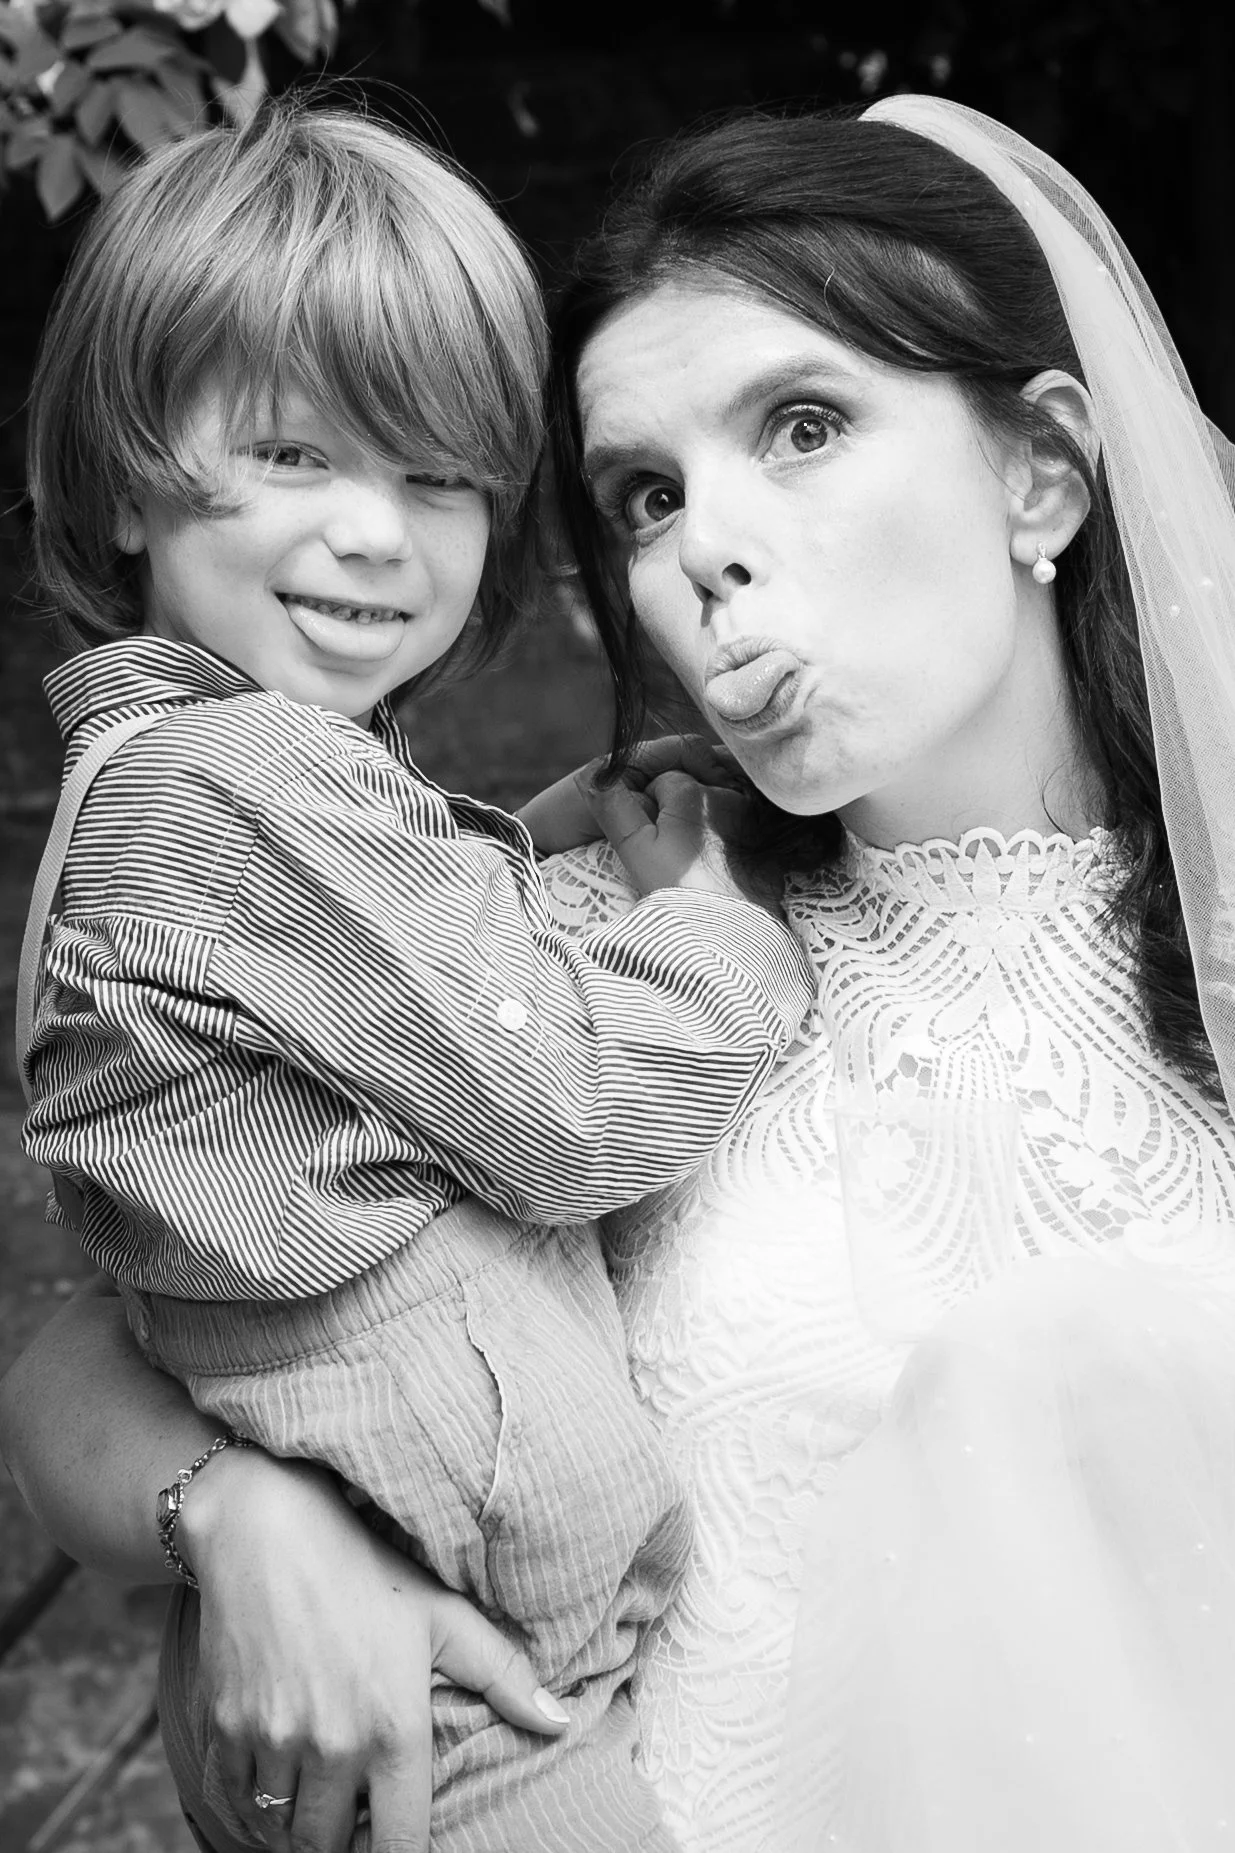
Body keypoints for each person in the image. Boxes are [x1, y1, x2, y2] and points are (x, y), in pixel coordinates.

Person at [7, 92, 1235, 1853]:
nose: (702, 548)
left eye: (801, 426)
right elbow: (109, 1331)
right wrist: (244, 1521)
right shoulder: (606, 931)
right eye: (643, 496)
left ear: (1039, 469)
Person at [9, 99, 817, 1853]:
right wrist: (718, 930)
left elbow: (393, 986)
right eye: (297, 453)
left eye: (440, 475)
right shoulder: (243, 782)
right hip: (457, 1711)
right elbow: (563, 1110)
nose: (380, 531)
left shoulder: (193, 778)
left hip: (426, 1649)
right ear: (124, 475)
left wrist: (546, 841)